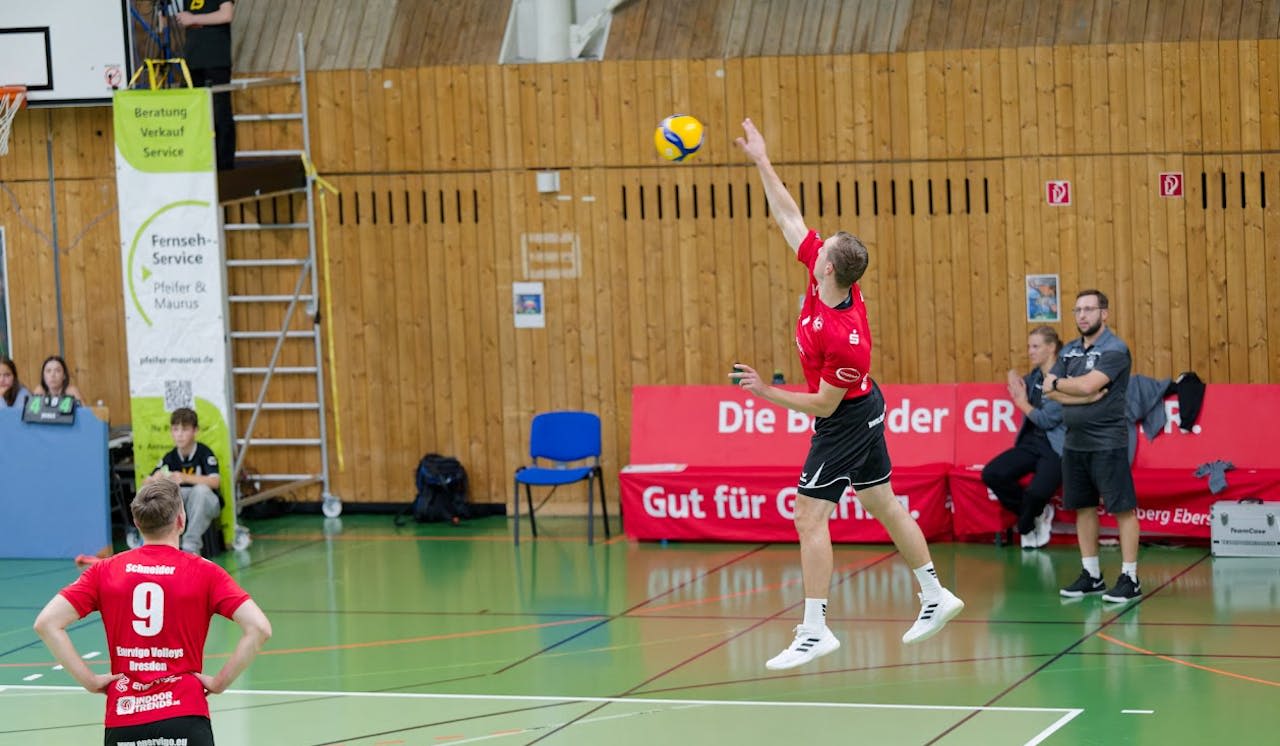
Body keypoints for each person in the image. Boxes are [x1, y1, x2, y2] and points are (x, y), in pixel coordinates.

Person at [733, 118, 964, 671]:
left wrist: (765, 391)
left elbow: (822, 407)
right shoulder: (828, 280)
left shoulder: (846, 340)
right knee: (881, 501)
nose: (812, 244)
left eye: (822, 247)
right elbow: (790, 217)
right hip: (859, 410)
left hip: (847, 415)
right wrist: (763, 162)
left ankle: (814, 630)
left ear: (828, 266)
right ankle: (936, 595)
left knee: (808, 517)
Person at [33, 479, 271, 746]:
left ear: (137, 523)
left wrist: (89, 681)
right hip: (184, 714)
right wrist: (218, 682)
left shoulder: (105, 570)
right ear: (181, 521)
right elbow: (259, 628)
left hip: (124, 719)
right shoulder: (204, 572)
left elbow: (47, 623)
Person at [1042, 290, 1141, 603]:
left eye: (1089, 309)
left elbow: (1086, 384)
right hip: (1074, 443)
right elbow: (1048, 388)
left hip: (1108, 441)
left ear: (1104, 314)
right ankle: (1092, 575)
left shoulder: (1115, 349)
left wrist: (1072, 387)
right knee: (1083, 507)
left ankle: (1130, 577)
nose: (1082, 315)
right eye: (1078, 310)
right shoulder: (1070, 351)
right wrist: (1078, 392)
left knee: (1122, 508)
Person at [981, 326, 1067, 549]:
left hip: (1057, 448)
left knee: (1037, 492)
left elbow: (1047, 420)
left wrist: (1021, 402)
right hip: (1032, 443)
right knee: (992, 473)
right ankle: (1036, 514)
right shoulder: (1036, 376)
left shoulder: (1063, 378)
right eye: (1029, 346)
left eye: (1036, 346)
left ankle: (1027, 523)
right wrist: (1012, 375)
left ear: (1051, 348)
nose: (1030, 351)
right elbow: (1017, 380)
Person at [145, 407, 224, 555]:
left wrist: (184, 477)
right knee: (158, 493)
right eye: (175, 429)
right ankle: (162, 545)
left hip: (208, 503)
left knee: (200, 491)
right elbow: (146, 482)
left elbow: (215, 482)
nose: (179, 435)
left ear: (195, 431)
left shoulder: (204, 452)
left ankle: (190, 546)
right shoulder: (170, 457)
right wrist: (155, 479)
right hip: (183, 504)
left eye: (185, 429)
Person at [177, 1, 236, 171]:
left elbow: (226, 14)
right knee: (192, 114)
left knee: (219, 113)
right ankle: (199, 162)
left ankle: (224, 166)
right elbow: (169, 23)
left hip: (215, 59)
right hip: (192, 60)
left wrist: (193, 18)